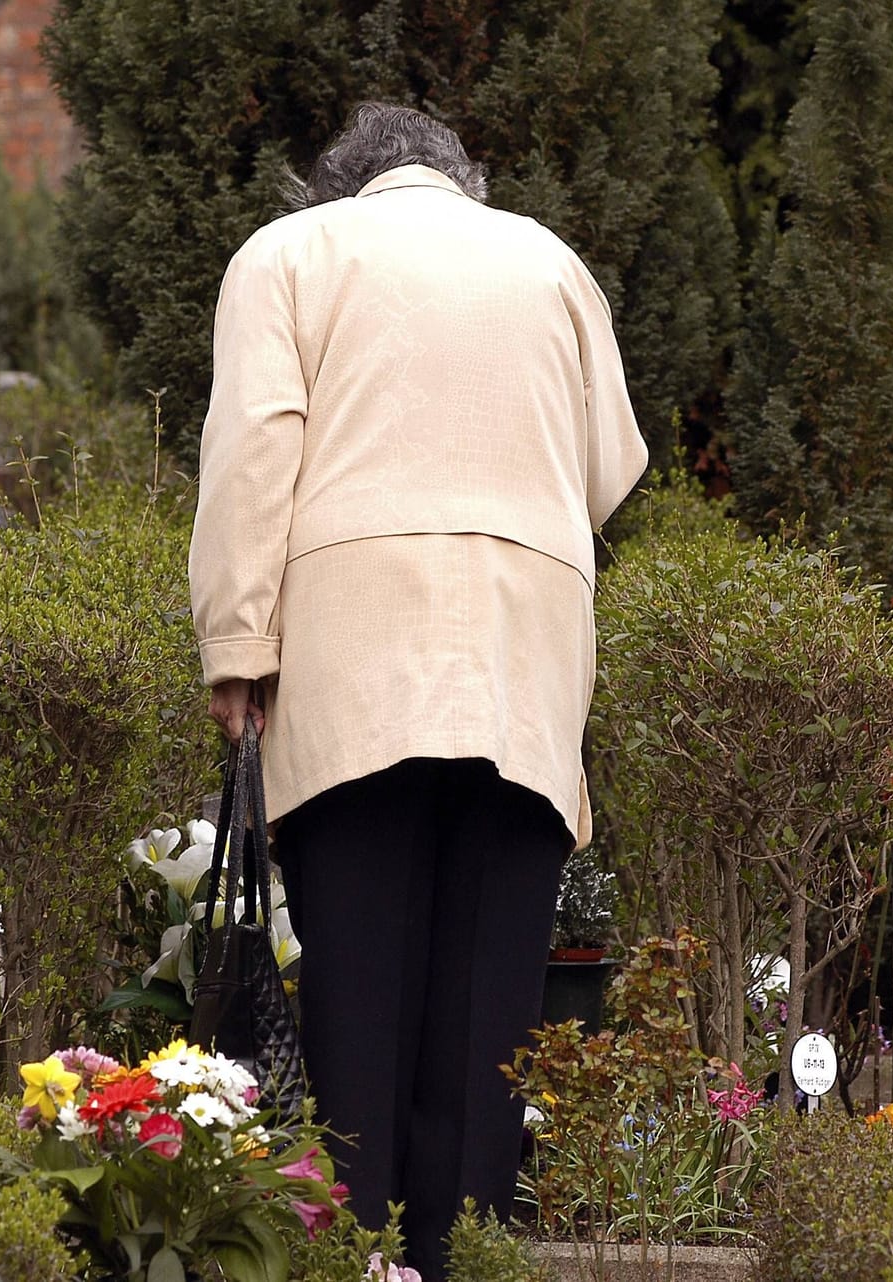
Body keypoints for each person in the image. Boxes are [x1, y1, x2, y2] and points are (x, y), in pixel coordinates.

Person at [188, 102, 647, 1279]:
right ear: (464, 180)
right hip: (521, 654)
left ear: (338, 187)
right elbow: (610, 468)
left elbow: (255, 448)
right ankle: (467, 1256)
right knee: (494, 1003)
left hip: (356, 651)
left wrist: (238, 645)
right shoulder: (551, 262)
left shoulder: (288, 256)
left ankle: (361, 1254)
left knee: (358, 989)